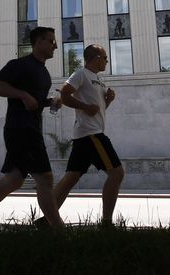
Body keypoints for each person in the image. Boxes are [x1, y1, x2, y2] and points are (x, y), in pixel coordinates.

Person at [0, 26, 65, 228]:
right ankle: (58, 229)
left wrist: (50, 102)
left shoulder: (43, 72)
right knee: (45, 179)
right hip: (21, 129)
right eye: (51, 41)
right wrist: (22, 95)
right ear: (39, 42)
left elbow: (35, 101)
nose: (56, 46)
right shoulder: (20, 65)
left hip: (29, 129)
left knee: (15, 179)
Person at [45, 44, 125, 226]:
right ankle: (106, 222)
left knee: (71, 177)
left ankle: (47, 220)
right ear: (96, 58)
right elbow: (65, 94)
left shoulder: (98, 79)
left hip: (86, 134)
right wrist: (85, 107)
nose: (106, 61)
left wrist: (107, 101)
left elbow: (97, 110)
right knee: (117, 173)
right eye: (105, 58)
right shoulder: (81, 74)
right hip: (91, 134)